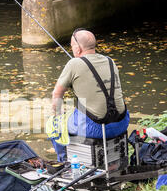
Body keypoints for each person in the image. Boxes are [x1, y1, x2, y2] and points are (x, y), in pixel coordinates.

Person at [49, 28, 130, 162]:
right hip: (121, 123)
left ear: (78, 48)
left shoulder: (74, 64)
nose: (71, 48)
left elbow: (57, 94)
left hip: (97, 128)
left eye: (72, 45)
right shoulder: (110, 61)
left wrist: (57, 114)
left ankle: (64, 165)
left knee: (53, 125)